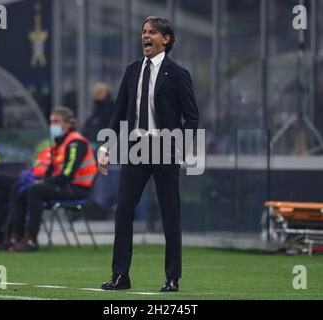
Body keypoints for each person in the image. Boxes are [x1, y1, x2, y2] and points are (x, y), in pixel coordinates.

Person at [98, 17, 199, 292]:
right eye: (143, 32)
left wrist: (181, 148)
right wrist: (106, 147)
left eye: (152, 32)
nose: (146, 36)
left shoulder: (178, 74)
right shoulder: (132, 71)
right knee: (124, 210)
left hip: (165, 148)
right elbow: (119, 111)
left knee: (170, 214)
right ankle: (121, 276)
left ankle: (172, 277)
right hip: (136, 149)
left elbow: (191, 117)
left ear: (166, 39)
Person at [8, 106, 97, 252]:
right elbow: (52, 171)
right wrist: (41, 179)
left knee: (35, 190)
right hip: (64, 186)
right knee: (18, 187)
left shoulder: (76, 143)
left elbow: (68, 175)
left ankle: (31, 240)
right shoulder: (60, 143)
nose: (52, 125)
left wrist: (43, 182)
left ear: (68, 124)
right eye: (51, 122)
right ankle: (16, 237)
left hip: (77, 189)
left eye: (56, 121)